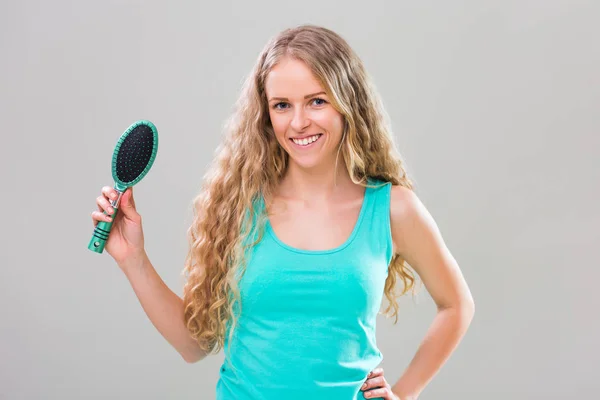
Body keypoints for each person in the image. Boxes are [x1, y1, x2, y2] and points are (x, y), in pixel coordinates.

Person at [91, 24, 474, 400]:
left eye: (317, 101)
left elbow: (457, 305)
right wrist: (133, 259)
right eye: (282, 105)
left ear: (348, 102)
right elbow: (195, 345)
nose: (298, 122)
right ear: (265, 114)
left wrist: (405, 395)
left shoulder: (393, 209)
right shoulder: (237, 205)